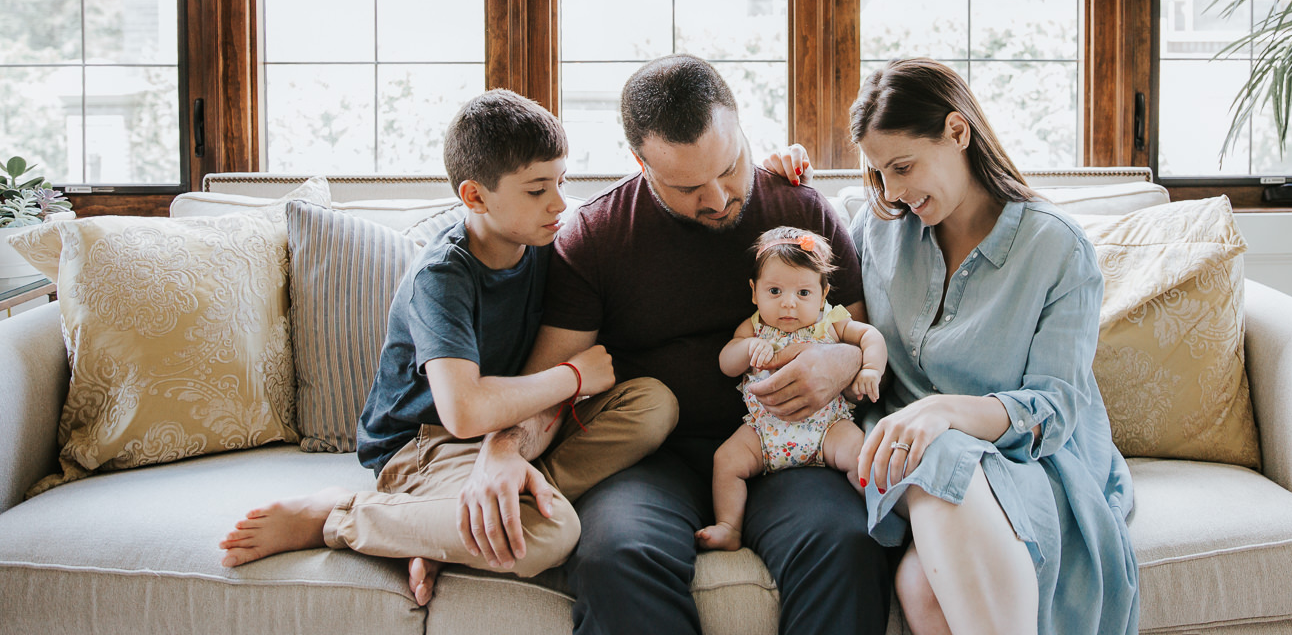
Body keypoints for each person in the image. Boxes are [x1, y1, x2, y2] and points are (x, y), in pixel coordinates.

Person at [453, 54, 892, 635]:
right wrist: (502, 451)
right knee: (616, 557)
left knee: (848, 545)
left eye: (730, 167)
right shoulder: (596, 236)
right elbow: (550, 380)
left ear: (741, 128)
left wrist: (842, 360)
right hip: (648, 461)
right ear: (639, 162)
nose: (716, 198)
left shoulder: (800, 210)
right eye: (687, 186)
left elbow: (855, 333)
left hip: (793, 449)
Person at [218, 90, 678, 607]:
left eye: (561, 182)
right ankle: (340, 515)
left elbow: (635, 209)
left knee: (653, 403)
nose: (557, 203)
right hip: (425, 443)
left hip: (516, 429)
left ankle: (442, 521)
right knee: (549, 534)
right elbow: (464, 411)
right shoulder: (442, 276)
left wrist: (777, 167)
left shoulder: (547, 243)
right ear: (475, 196)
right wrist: (573, 377)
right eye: (536, 189)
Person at [767, 58, 1139, 635]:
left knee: (930, 500)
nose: (892, 190)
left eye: (903, 166)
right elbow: (801, 264)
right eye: (879, 173)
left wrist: (941, 412)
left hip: (1026, 459)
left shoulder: (1056, 250)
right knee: (920, 582)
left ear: (957, 132)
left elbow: (1055, 409)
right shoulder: (880, 226)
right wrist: (780, 184)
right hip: (912, 465)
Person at [694, 226, 888, 551]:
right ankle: (729, 526)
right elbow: (726, 363)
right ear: (754, 292)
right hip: (764, 431)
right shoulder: (754, 327)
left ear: (823, 293)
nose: (788, 305)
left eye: (803, 293)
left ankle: (879, 517)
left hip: (828, 427)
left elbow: (871, 336)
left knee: (862, 455)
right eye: (774, 292)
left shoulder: (831, 321)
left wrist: (870, 368)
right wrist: (747, 349)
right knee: (726, 461)